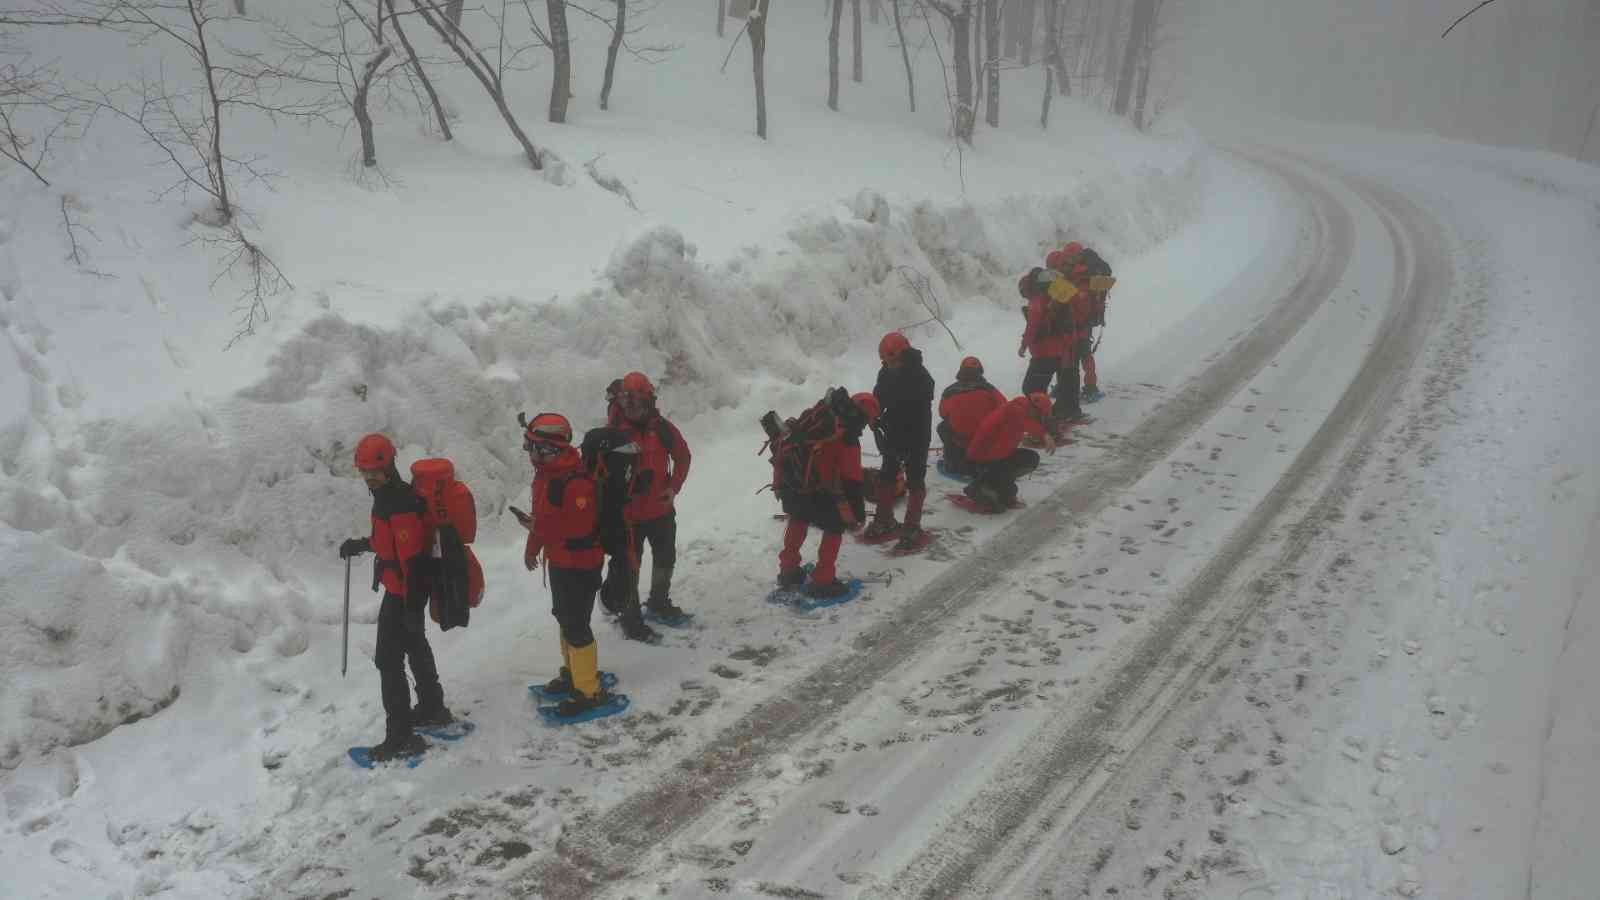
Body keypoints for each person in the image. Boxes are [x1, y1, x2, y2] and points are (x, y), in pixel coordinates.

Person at [339, 433, 452, 763]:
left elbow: (413, 559)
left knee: (388, 662)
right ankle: (432, 708)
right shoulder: (389, 497)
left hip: (405, 593)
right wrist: (361, 544)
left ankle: (401, 736)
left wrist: (413, 608)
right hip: (403, 590)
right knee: (415, 646)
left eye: (374, 471)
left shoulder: (398, 504)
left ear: (389, 465)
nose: (368, 478)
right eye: (363, 472)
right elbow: (389, 542)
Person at [521, 413, 613, 717]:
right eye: (530, 447)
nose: (534, 456)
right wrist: (533, 545)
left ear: (558, 449)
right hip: (559, 561)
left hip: (581, 563)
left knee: (576, 624)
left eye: (540, 449)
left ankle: (589, 691)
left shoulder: (576, 483)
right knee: (564, 616)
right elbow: (543, 519)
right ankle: (573, 672)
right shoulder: (545, 477)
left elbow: (578, 529)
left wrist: (537, 530)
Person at [602, 371, 692, 642]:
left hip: (661, 512)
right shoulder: (612, 435)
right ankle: (630, 619)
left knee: (665, 557)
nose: (633, 409)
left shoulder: (661, 428)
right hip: (628, 517)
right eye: (628, 403)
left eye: (638, 403)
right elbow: (599, 475)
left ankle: (658, 602)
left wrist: (673, 487)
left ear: (649, 401)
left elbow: (683, 456)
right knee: (630, 567)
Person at [776, 391, 876, 598]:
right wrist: (856, 511)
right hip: (825, 493)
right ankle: (823, 580)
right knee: (833, 529)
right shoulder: (847, 438)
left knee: (799, 520)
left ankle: (788, 570)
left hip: (795, 485)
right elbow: (852, 478)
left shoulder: (812, 420)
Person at [864, 332, 935, 552]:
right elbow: (880, 397)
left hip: (916, 433)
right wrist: (874, 415)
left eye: (892, 360)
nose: (888, 364)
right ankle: (884, 519)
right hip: (893, 431)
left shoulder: (921, 378)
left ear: (903, 355)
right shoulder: (886, 372)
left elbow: (913, 408)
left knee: (915, 478)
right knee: (887, 474)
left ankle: (912, 526)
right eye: (886, 361)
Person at [963, 393, 1056, 511]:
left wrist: (1044, 434)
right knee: (1003, 497)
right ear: (1035, 410)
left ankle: (993, 484)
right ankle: (979, 486)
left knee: (1030, 458)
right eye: (1041, 416)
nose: (1040, 419)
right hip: (982, 458)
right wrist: (1044, 434)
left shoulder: (1020, 409)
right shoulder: (1015, 412)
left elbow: (1027, 422)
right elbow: (1026, 422)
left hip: (997, 454)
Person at [1018, 260, 1076, 428]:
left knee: (1031, 389)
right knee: (1041, 388)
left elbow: (1033, 327)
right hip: (1059, 352)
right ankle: (1058, 415)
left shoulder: (1037, 302)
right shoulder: (1055, 300)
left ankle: (1045, 423)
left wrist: (1023, 345)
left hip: (1044, 354)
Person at [937, 356, 1006, 475]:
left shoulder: (949, 391)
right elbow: (1005, 408)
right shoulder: (989, 389)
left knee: (942, 427)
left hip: (959, 438)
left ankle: (952, 461)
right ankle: (991, 459)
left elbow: (942, 413)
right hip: (985, 438)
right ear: (980, 371)